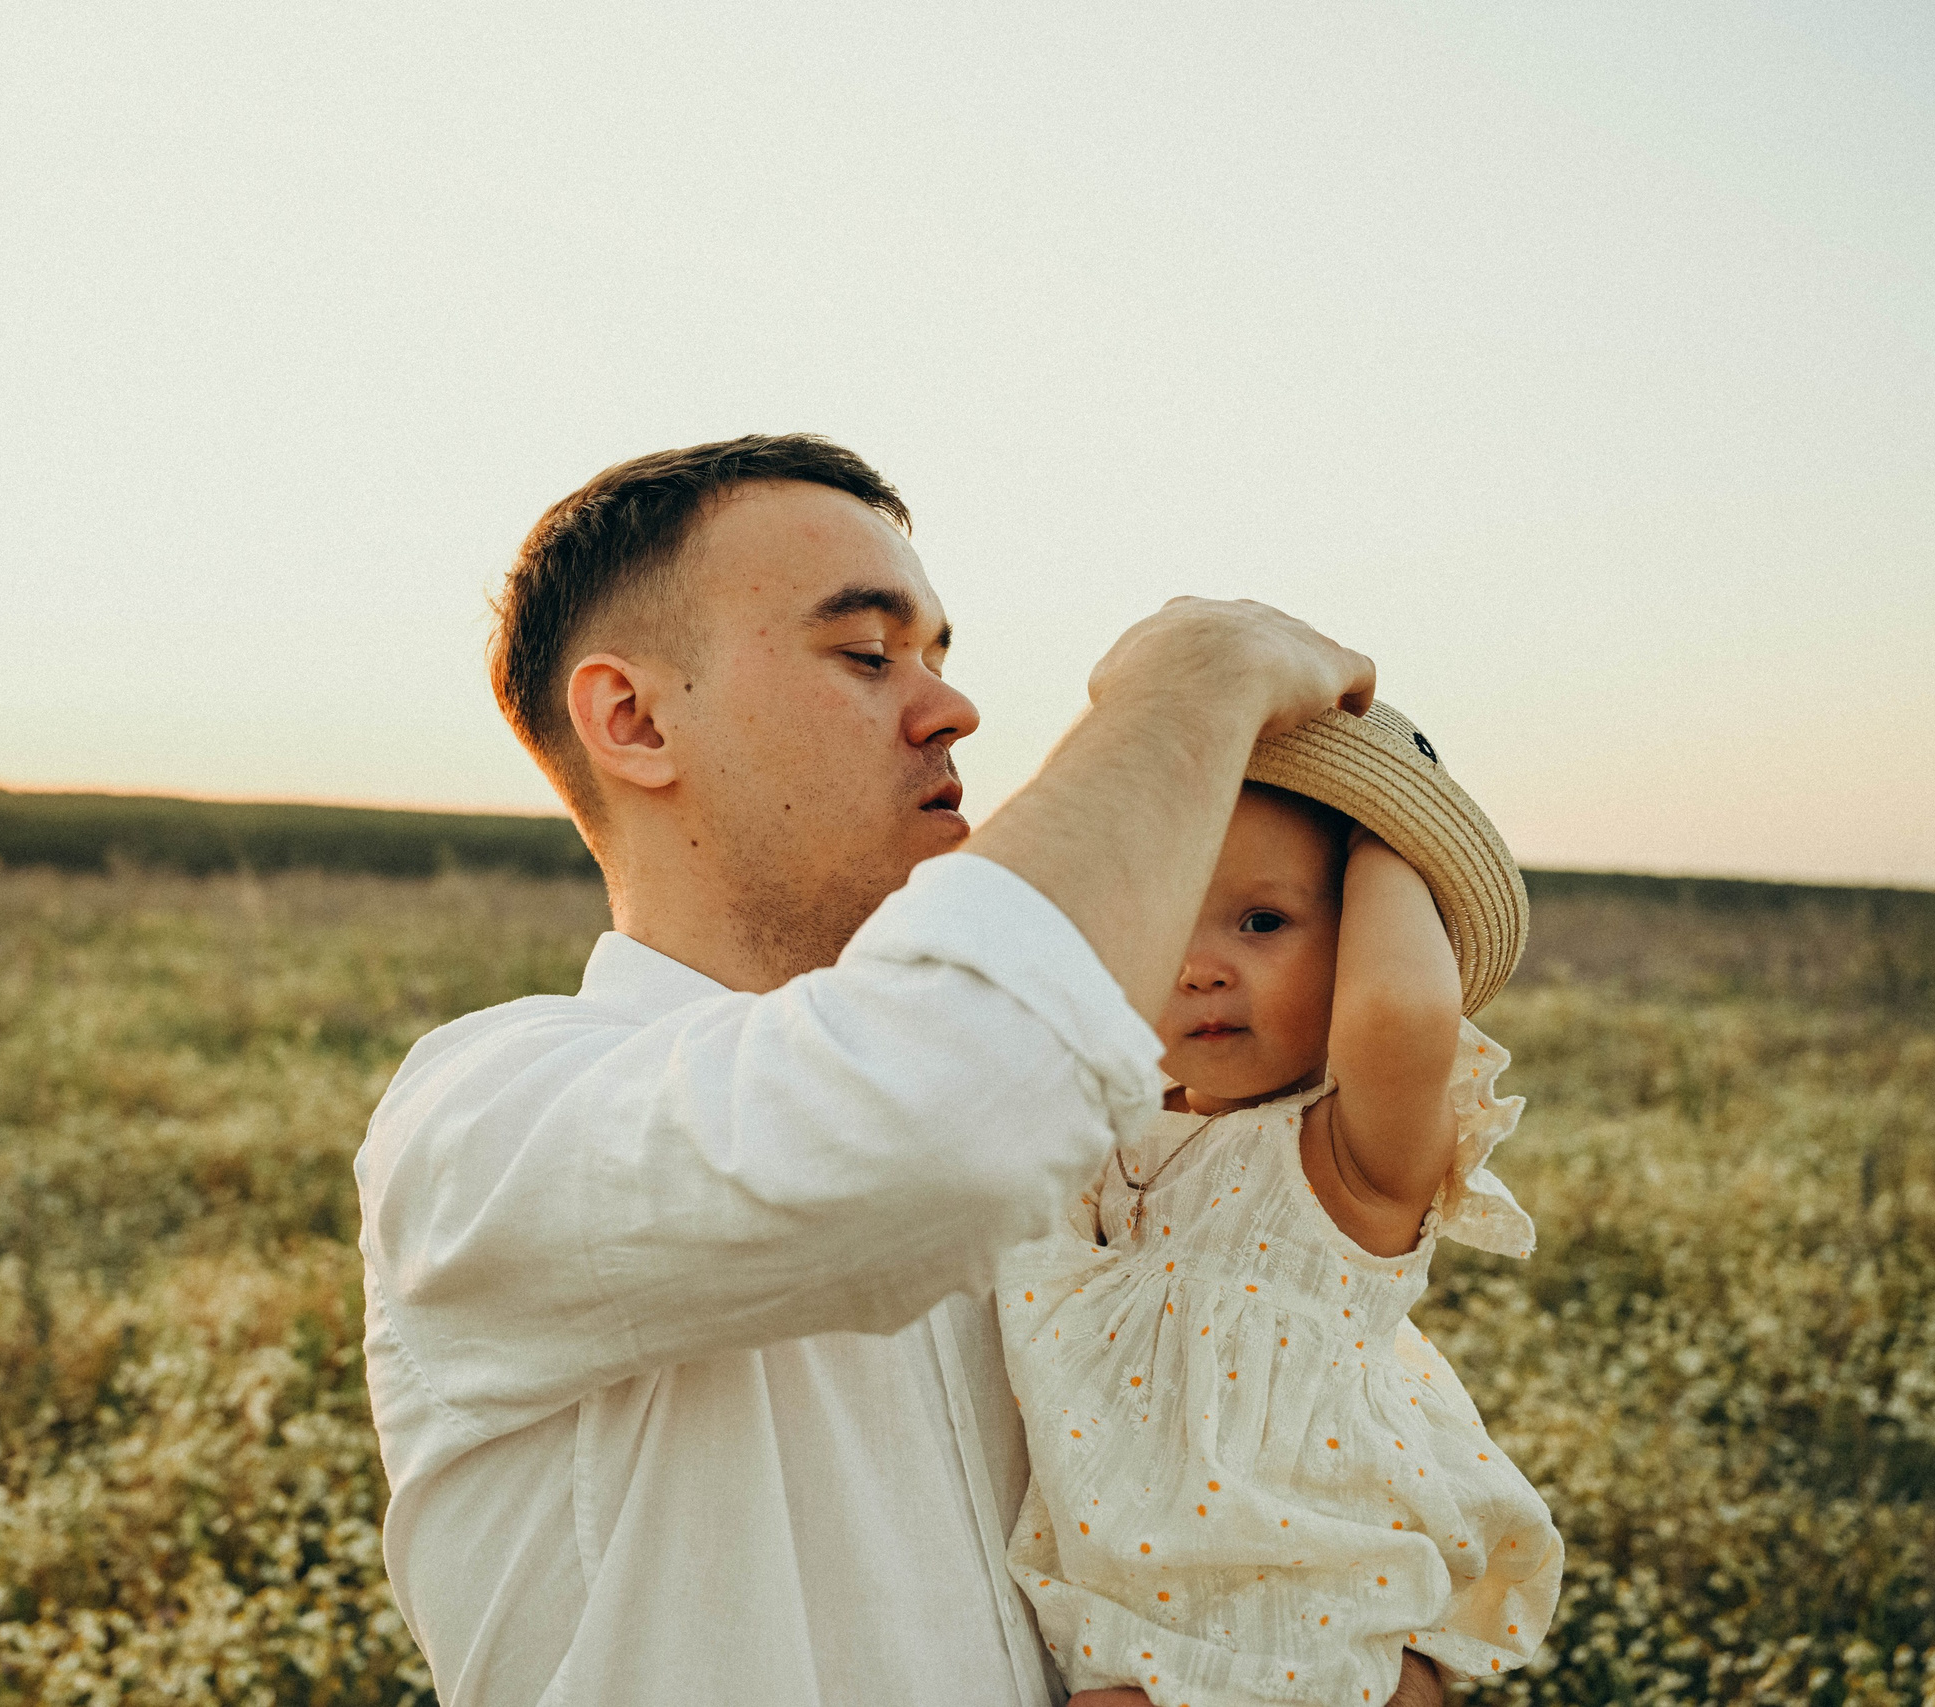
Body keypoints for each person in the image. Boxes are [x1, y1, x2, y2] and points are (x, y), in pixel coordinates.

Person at [354, 434, 1442, 1705]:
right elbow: (943, 1109)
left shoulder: (1120, 1163)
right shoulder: (481, 1112)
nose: (950, 708)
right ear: (635, 720)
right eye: (868, 654)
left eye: (936, 656)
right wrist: (1197, 684)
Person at [998, 715, 1562, 1707]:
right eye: (1165, 923)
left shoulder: (1343, 1159)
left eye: (1261, 921)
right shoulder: (1115, 1140)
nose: (1198, 967)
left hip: (1306, 1638)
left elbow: (1401, 1017)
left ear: (1359, 947)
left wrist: (1383, 826)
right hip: (1126, 1642)